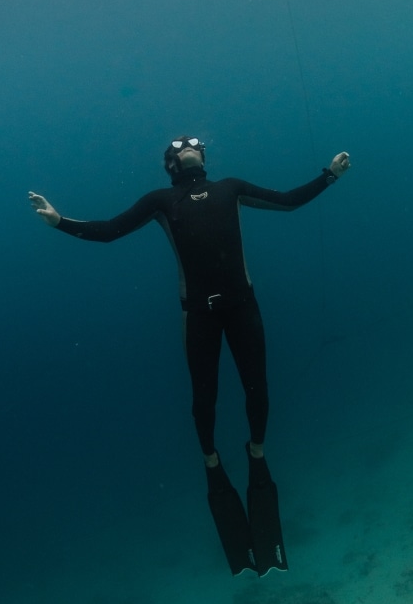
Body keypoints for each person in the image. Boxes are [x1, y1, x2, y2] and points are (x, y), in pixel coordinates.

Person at [29, 136, 350, 576]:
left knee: (258, 386)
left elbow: (289, 201)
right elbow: (108, 230)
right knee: (205, 396)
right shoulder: (161, 200)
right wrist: (59, 221)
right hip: (200, 314)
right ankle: (212, 462)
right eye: (179, 145)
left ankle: (256, 452)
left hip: (242, 307)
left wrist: (329, 174)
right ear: (170, 163)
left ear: (203, 156)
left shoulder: (230, 187)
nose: (188, 146)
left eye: (193, 142)